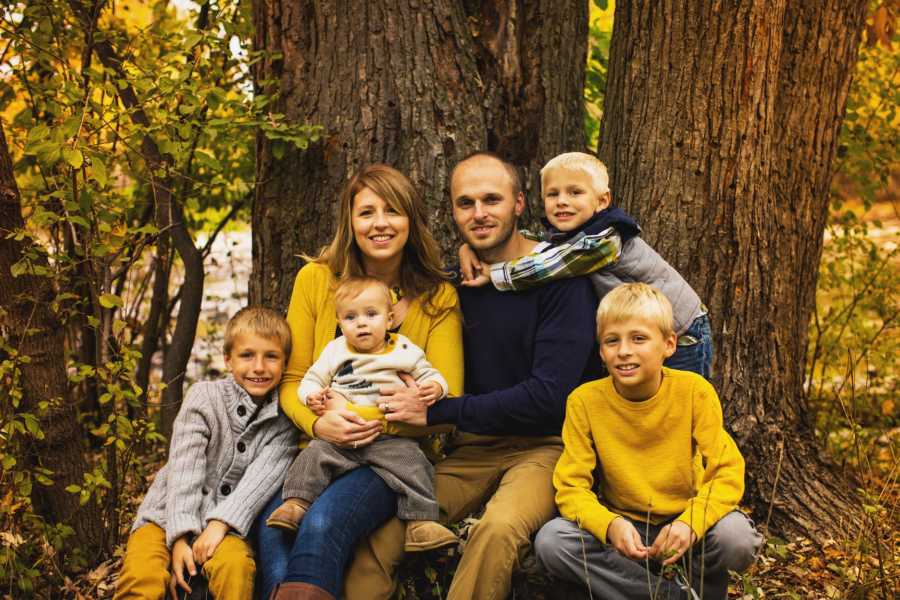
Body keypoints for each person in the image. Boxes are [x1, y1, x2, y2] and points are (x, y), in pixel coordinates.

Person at [343, 151, 603, 600]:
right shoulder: (455, 285)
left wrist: (437, 411)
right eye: (466, 203)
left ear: (520, 204)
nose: (479, 214)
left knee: (497, 530)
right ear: (453, 211)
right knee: (380, 536)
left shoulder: (562, 280)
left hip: (547, 448)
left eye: (492, 200)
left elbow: (549, 396)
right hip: (472, 449)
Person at [254, 164, 463, 600]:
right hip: (319, 449)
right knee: (275, 535)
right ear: (349, 221)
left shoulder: (437, 295)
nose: (380, 223)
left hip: (392, 460)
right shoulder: (316, 280)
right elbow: (293, 379)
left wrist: (375, 421)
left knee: (322, 522)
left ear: (412, 220)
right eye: (367, 212)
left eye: (393, 211)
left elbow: (449, 402)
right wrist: (319, 424)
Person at [534, 283, 762, 599]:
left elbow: (727, 471)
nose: (624, 351)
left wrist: (690, 523)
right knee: (553, 541)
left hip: (686, 523)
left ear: (669, 344)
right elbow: (571, 487)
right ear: (601, 351)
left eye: (639, 338)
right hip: (626, 528)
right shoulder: (584, 402)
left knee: (736, 538)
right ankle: (672, 595)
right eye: (612, 341)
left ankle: (695, 587)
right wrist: (609, 525)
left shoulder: (694, 392)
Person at [459, 151, 713, 379]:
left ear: (602, 201)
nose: (561, 201)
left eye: (575, 192)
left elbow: (552, 263)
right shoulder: (569, 236)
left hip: (681, 332)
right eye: (552, 194)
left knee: (681, 403)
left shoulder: (607, 240)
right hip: (641, 336)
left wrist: (496, 273)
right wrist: (471, 247)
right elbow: (531, 241)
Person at [114, 307, 299, 600]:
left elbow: (257, 485)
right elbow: (184, 469)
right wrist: (179, 538)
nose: (259, 367)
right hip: (164, 518)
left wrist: (219, 525)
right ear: (228, 360)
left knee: (236, 569)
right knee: (142, 576)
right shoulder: (204, 397)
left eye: (271, 356)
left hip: (227, 526)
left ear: (285, 362)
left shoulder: (284, 422)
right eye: (247, 355)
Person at [265, 276, 457, 552]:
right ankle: (296, 503)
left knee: (415, 463)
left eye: (371, 314)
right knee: (313, 456)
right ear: (340, 324)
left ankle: (420, 522)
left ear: (389, 320)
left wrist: (434, 388)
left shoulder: (404, 349)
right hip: (339, 438)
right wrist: (312, 396)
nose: (361, 323)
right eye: (351, 317)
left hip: (390, 439)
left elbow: (432, 374)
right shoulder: (335, 350)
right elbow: (310, 379)